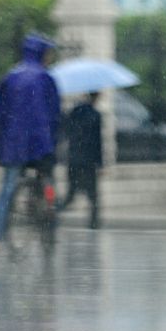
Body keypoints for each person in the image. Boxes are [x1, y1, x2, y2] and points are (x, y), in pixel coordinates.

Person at [0, 34, 60, 250]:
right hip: (40, 143)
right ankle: (49, 216)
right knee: (48, 180)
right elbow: (55, 113)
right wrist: (54, 139)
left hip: (14, 144)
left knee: (7, 191)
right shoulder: (46, 77)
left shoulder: (10, 77)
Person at [57, 91, 102, 229]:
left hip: (74, 159)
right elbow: (97, 142)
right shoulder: (95, 115)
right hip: (88, 161)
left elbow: (65, 131)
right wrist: (100, 163)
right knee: (93, 195)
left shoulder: (74, 112)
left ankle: (53, 214)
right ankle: (93, 224)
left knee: (70, 195)